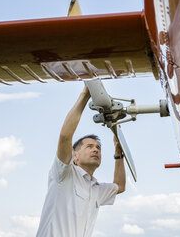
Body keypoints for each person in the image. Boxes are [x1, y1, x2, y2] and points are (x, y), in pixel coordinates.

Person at [36, 86, 126, 237]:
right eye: (89, 146)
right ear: (75, 156)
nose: (96, 150)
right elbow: (65, 136)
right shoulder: (64, 174)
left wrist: (118, 153)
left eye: (98, 147)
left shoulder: (96, 188)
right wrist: (86, 93)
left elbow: (120, 186)